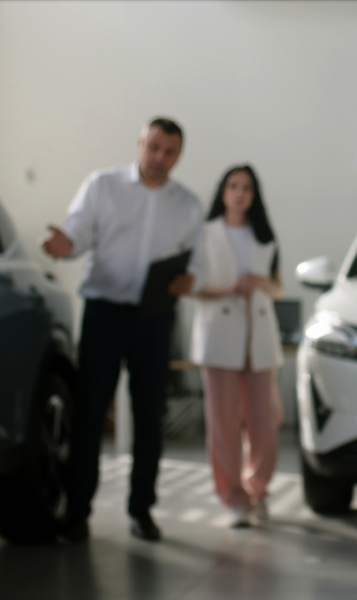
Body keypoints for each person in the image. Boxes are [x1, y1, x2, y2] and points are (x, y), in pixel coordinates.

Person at [41, 117, 204, 542]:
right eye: (153, 148)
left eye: (169, 152)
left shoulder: (188, 205)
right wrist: (64, 245)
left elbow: (199, 263)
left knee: (150, 415)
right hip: (105, 313)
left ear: (178, 155)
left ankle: (142, 510)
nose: (158, 158)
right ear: (140, 144)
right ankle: (77, 511)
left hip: (155, 318)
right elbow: (77, 233)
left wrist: (192, 281)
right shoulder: (102, 186)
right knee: (90, 411)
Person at [190, 164, 284, 528]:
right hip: (219, 336)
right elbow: (193, 285)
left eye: (246, 186)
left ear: (254, 193)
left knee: (265, 421)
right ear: (223, 191)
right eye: (233, 185)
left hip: (259, 338)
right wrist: (226, 289)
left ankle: (258, 489)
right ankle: (233, 497)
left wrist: (259, 282)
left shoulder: (265, 236)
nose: (239, 192)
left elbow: (278, 288)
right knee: (223, 423)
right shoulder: (204, 234)